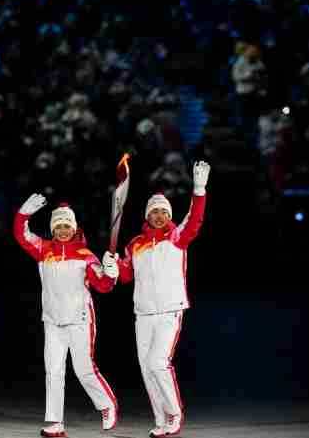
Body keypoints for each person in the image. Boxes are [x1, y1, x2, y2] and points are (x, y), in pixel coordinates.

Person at [103, 161, 210, 437]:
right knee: (146, 369)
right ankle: (161, 421)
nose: (160, 215)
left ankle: (175, 412)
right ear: (147, 215)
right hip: (143, 313)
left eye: (164, 211)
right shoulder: (135, 244)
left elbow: (194, 219)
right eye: (155, 212)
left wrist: (199, 190)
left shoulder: (177, 237)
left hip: (169, 311)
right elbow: (126, 275)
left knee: (158, 363)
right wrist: (114, 268)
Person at [14, 194, 119, 437]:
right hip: (52, 321)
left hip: (80, 320)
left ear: (74, 228)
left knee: (83, 369)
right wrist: (23, 213)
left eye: (67, 226)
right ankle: (54, 422)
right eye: (58, 226)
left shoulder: (85, 254)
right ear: (52, 229)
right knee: (53, 370)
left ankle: (106, 404)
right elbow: (21, 234)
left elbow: (103, 285)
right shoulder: (42, 249)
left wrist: (111, 273)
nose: (62, 230)